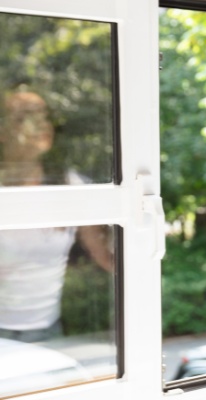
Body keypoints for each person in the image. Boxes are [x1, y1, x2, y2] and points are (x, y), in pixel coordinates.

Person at [0, 89, 113, 343]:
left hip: (49, 333)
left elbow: (108, 257)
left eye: (43, 116)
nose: (39, 124)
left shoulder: (68, 186)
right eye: (24, 117)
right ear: (2, 131)